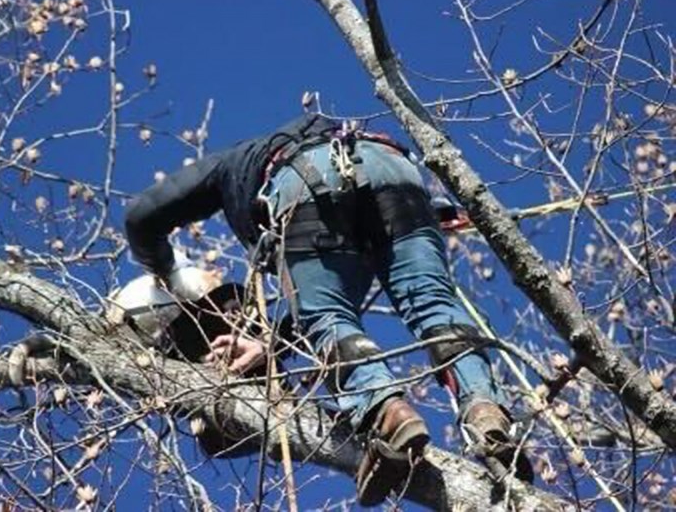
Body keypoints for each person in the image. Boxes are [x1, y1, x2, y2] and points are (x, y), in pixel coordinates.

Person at [125, 113, 530, 506]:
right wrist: (271, 347)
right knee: (433, 303)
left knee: (329, 321)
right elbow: (325, 299)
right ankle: (485, 413)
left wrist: (165, 272)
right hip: (393, 171)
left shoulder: (230, 164)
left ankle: (388, 415)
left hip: (302, 181)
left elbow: (141, 217)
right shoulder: (289, 146)